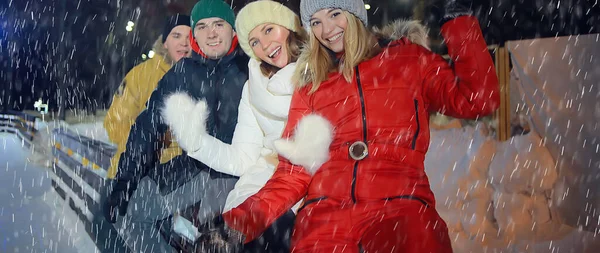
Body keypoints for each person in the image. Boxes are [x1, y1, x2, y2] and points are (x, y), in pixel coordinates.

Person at [199, 0, 500, 252]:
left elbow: (478, 99)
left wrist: (458, 20)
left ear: (355, 12)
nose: (326, 30)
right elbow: (293, 174)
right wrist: (234, 227)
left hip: (400, 202)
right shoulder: (312, 84)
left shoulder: (407, 60)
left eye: (334, 14)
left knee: (419, 240)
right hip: (326, 211)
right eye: (315, 22)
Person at [101, 0, 249, 252]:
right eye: (201, 27)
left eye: (218, 24)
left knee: (219, 238)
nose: (211, 33)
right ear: (195, 36)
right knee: (132, 210)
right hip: (195, 167)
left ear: (233, 30)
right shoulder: (183, 72)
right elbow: (147, 126)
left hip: (239, 172)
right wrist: (125, 181)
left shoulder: (249, 68)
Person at [162, 1, 307, 252]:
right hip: (259, 187)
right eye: (254, 41)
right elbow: (243, 158)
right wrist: (196, 141)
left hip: (302, 191)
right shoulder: (254, 86)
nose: (265, 45)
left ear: (289, 26)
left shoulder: (320, 73)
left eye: (269, 30)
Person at [103, 14, 191, 179]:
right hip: (135, 174)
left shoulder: (200, 77)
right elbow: (114, 125)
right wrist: (152, 138)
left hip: (181, 179)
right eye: (176, 36)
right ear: (165, 42)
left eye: (189, 37)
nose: (184, 43)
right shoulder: (140, 75)